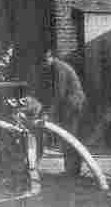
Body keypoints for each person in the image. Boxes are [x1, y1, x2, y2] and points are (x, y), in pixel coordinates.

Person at [44, 49, 86, 177]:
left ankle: (72, 171)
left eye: (45, 61)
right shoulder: (58, 67)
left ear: (51, 57)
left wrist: (51, 113)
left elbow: (59, 93)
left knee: (69, 136)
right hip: (71, 104)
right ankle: (72, 169)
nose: (44, 64)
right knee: (69, 137)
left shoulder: (59, 68)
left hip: (72, 104)